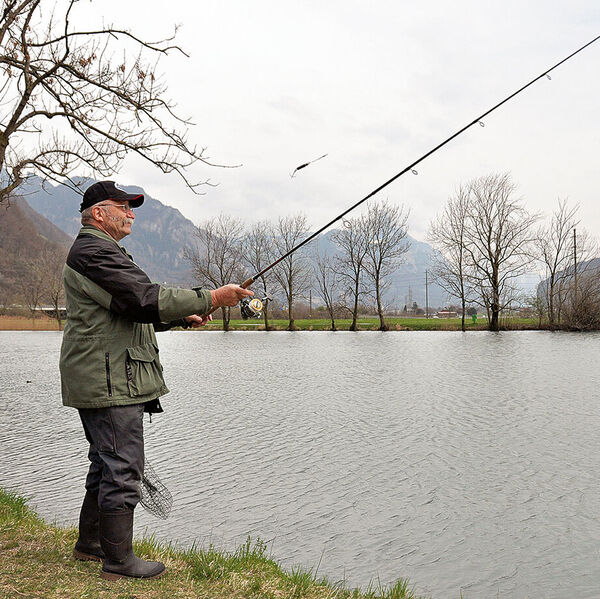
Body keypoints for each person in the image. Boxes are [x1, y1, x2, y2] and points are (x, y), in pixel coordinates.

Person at [59, 180, 253, 581]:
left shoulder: (101, 252)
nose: (131, 214)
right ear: (99, 213)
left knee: (105, 462)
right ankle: (118, 562)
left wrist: (183, 315)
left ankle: (91, 545)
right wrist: (212, 298)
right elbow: (144, 298)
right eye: (124, 207)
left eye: (133, 208)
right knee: (122, 467)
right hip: (108, 379)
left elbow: (131, 310)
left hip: (105, 374)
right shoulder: (94, 251)